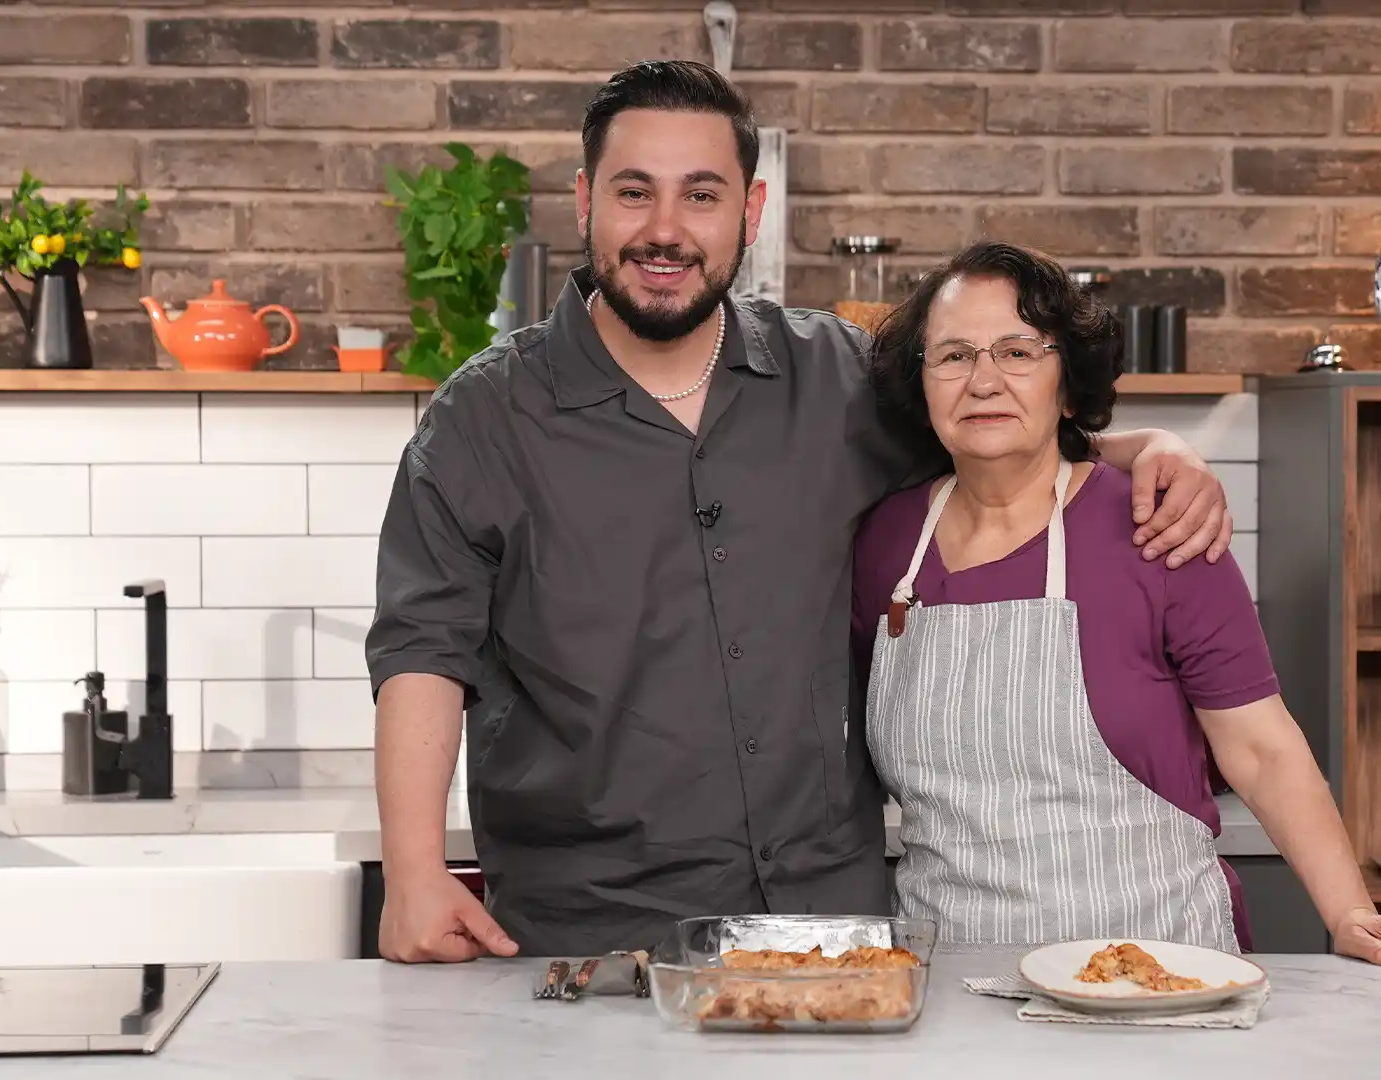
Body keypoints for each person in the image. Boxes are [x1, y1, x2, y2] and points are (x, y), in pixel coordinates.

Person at [364, 60, 1237, 963]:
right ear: (585, 201)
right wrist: (417, 873)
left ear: (750, 210)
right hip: (590, 939)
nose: (665, 229)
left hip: (835, 935)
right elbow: (424, 651)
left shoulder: (840, 379)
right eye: (634, 192)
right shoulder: (482, 419)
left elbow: (996, 442)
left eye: (701, 195)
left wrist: (1145, 449)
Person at [851, 240, 1381, 971]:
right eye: (954, 355)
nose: (984, 380)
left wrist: (1352, 913)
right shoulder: (887, 542)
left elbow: (1261, 748)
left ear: (1066, 384)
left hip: (1159, 969)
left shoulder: (1161, 526)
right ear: (922, 382)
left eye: (1018, 352)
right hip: (951, 973)